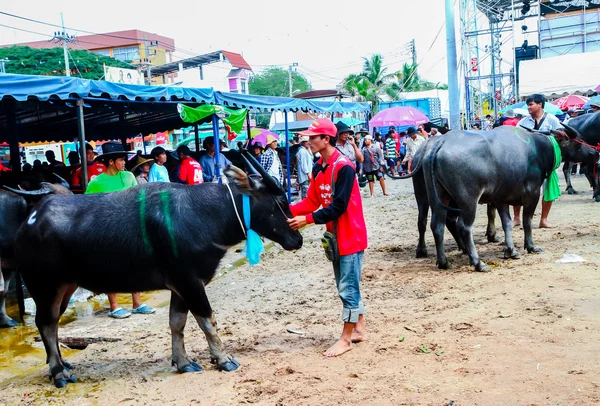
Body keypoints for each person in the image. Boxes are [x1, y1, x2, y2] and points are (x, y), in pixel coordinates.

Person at [287, 118, 368, 357]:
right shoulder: (318, 166)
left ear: (326, 139)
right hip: (334, 236)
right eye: (308, 137)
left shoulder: (344, 167)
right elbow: (312, 200)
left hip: (350, 236)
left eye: (313, 137)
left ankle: (345, 339)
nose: (308, 141)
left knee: (347, 288)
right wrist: (286, 210)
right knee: (347, 284)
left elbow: (339, 207)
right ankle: (359, 329)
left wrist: (307, 220)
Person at [85, 141, 156, 319]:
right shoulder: (97, 183)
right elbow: (86, 205)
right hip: (108, 231)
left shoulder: (129, 177)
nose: (124, 162)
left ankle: (137, 303)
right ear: (110, 161)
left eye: (124, 159)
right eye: (121, 159)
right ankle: (114, 306)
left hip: (131, 228)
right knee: (111, 266)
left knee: (137, 264)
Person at [515, 93, 561, 229]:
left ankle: (544, 219)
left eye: (531, 104)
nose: (529, 107)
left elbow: (560, 138)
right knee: (517, 189)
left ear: (540, 104)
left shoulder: (552, 120)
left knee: (548, 189)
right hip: (527, 162)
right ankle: (516, 218)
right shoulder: (523, 122)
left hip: (546, 162)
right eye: (528, 105)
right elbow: (515, 138)